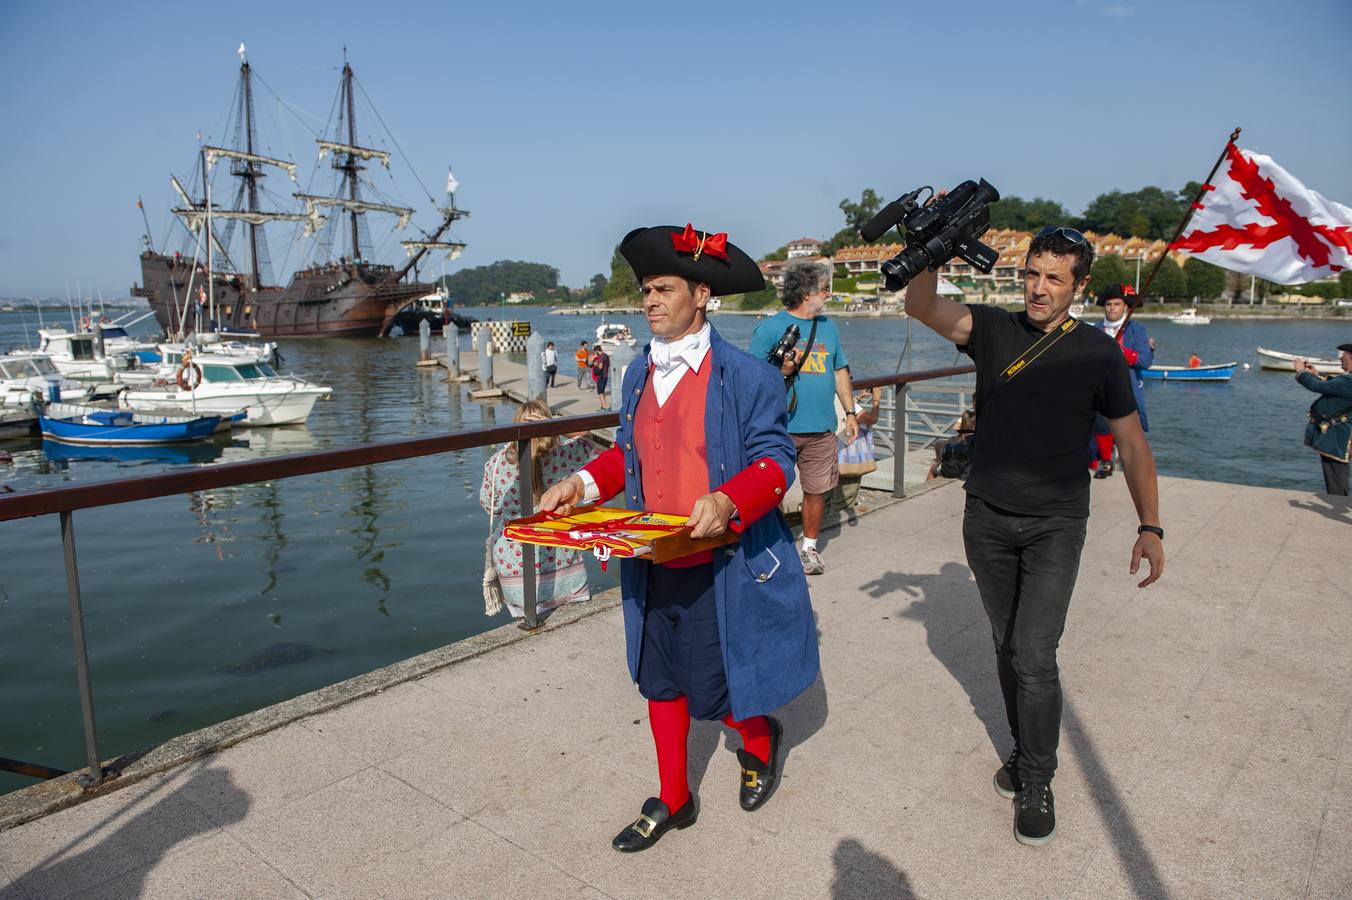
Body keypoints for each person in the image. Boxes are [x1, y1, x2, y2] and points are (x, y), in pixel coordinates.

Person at [539, 222, 817, 853]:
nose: (650, 300)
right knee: (657, 678)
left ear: (702, 294)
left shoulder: (748, 376)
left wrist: (727, 499)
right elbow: (627, 458)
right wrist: (579, 486)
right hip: (652, 557)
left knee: (719, 684)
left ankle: (759, 738)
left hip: (721, 563)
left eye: (663, 288)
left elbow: (776, 462)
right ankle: (674, 796)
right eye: (645, 289)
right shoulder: (637, 373)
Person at [905, 222, 1165, 847]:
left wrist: (1149, 525)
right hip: (988, 517)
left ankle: (1038, 780)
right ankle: (1025, 754)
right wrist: (933, 246)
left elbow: (1131, 443)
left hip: (1056, 521)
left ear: (1079, 286)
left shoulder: (1099, 353)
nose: (1038, 288)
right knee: (1005, 642)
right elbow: (919, 304)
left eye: (1054, 277)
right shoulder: (994, 329)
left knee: (1035, 653)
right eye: (1031, 274)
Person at [748, 260, 857, 575]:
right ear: (807, 293)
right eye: (825, 289)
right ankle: (766, 546)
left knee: (817, 490)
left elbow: (840, 371)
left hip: (822, 428)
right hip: (777, 428)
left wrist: (849, 412)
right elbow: (751, 380)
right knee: (768, 490)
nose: (829, 294)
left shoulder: (829, 327)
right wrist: (781, 371)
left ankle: (809, 548)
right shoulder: (768, 329)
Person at [479, 399, 596, 619]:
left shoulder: (496, 464)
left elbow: (489, 505)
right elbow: (587, 438)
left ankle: (530, 619)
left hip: (515, 570)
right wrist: (558, 424)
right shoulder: (566, 456)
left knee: (529, 618)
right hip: (564, 568)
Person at [1090, 283, 1152, 478]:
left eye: (1117, 304)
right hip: (1101, 389)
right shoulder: (1096, 330)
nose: (1112, 308)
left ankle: (1134, 468)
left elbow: (1145, 360)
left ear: (1125, 306)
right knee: (1099, 424)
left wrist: (1119, 351)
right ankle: (1105, 461)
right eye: (1109, 304)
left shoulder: (1137, 330)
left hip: (1128, 388)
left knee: (1130, 435)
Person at [1293, 343, 1352, 496]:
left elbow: (1316, 386)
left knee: (1335, 473)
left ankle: (1338, 501)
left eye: (1343, 357)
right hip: (1343, 434)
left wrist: (1301, 371)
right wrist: (1317, 374)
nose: (1340, 360)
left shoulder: (1348, 381)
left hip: (1338, 436)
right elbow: (1332, 386)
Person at [928, 408, 977, 480]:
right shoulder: (976, 442)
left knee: (933, 469)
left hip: (949, 472)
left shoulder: (953, 440)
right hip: (966, 475)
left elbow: (955, 427)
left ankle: (927, 488)